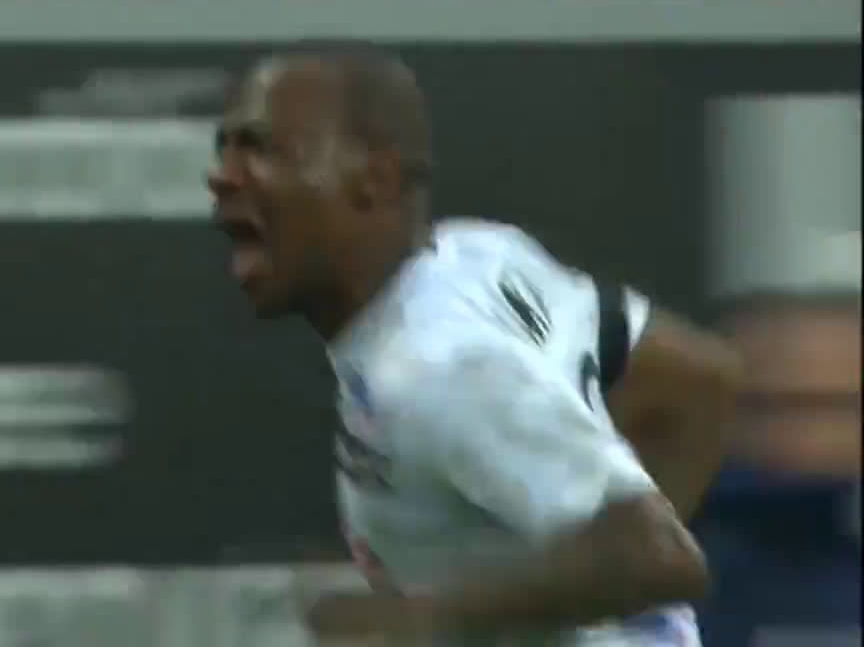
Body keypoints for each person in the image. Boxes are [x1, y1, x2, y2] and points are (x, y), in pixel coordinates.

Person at [206, 43, 742, 645]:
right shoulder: (470, 257)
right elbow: (701, 380)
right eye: (224, 149)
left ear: (375, 179)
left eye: (261, 148)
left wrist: (431, 618)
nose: (221, 175)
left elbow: (660, 558)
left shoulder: (443, 368)